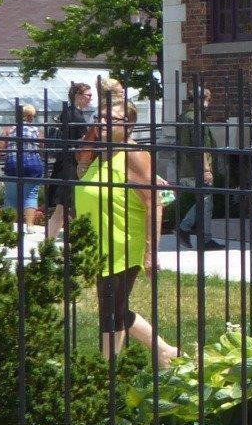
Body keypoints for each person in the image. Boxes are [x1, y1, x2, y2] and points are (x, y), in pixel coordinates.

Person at [70, 105, 179, 366]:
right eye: (100, 117)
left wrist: (151, 253)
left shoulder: (133, 155)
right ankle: (165, 352)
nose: (103, 122)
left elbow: (153, 203)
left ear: (128, 126)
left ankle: (106, 371)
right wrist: (93, 134)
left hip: (123, 243)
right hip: (99, 244)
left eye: (112, 118)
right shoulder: (99, 153)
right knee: (113, 308)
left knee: (110, 311)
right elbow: (79, 160)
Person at [168, 84, 226, 251]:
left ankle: (199, 236)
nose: (209, 104)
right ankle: (188, 230)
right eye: (208, 100)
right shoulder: (195, 118)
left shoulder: (183, 116)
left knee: (204, 201)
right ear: (201, 100)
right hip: (196, 169)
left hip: (186, 167)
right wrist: (206, 170)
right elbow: (199, 147)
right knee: (205, 201)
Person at [42, 80, 96, 240]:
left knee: (66, 207)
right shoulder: (75, 115)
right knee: (62, 207)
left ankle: (53, 241)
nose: (90, 98)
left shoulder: (69, 113)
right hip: (71, 164)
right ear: (78, 95)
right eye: (88, 95)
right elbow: (79, 142)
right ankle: (48, 243)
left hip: (65, 162)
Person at [0, 104, 47, 225]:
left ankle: (10, 225)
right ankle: (30, 226)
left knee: (11, 196)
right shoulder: (37, 131)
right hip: (33, 165)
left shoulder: (8, 130)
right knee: (31, 196)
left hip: (13, 164)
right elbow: (43, 148)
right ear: (32, 117)